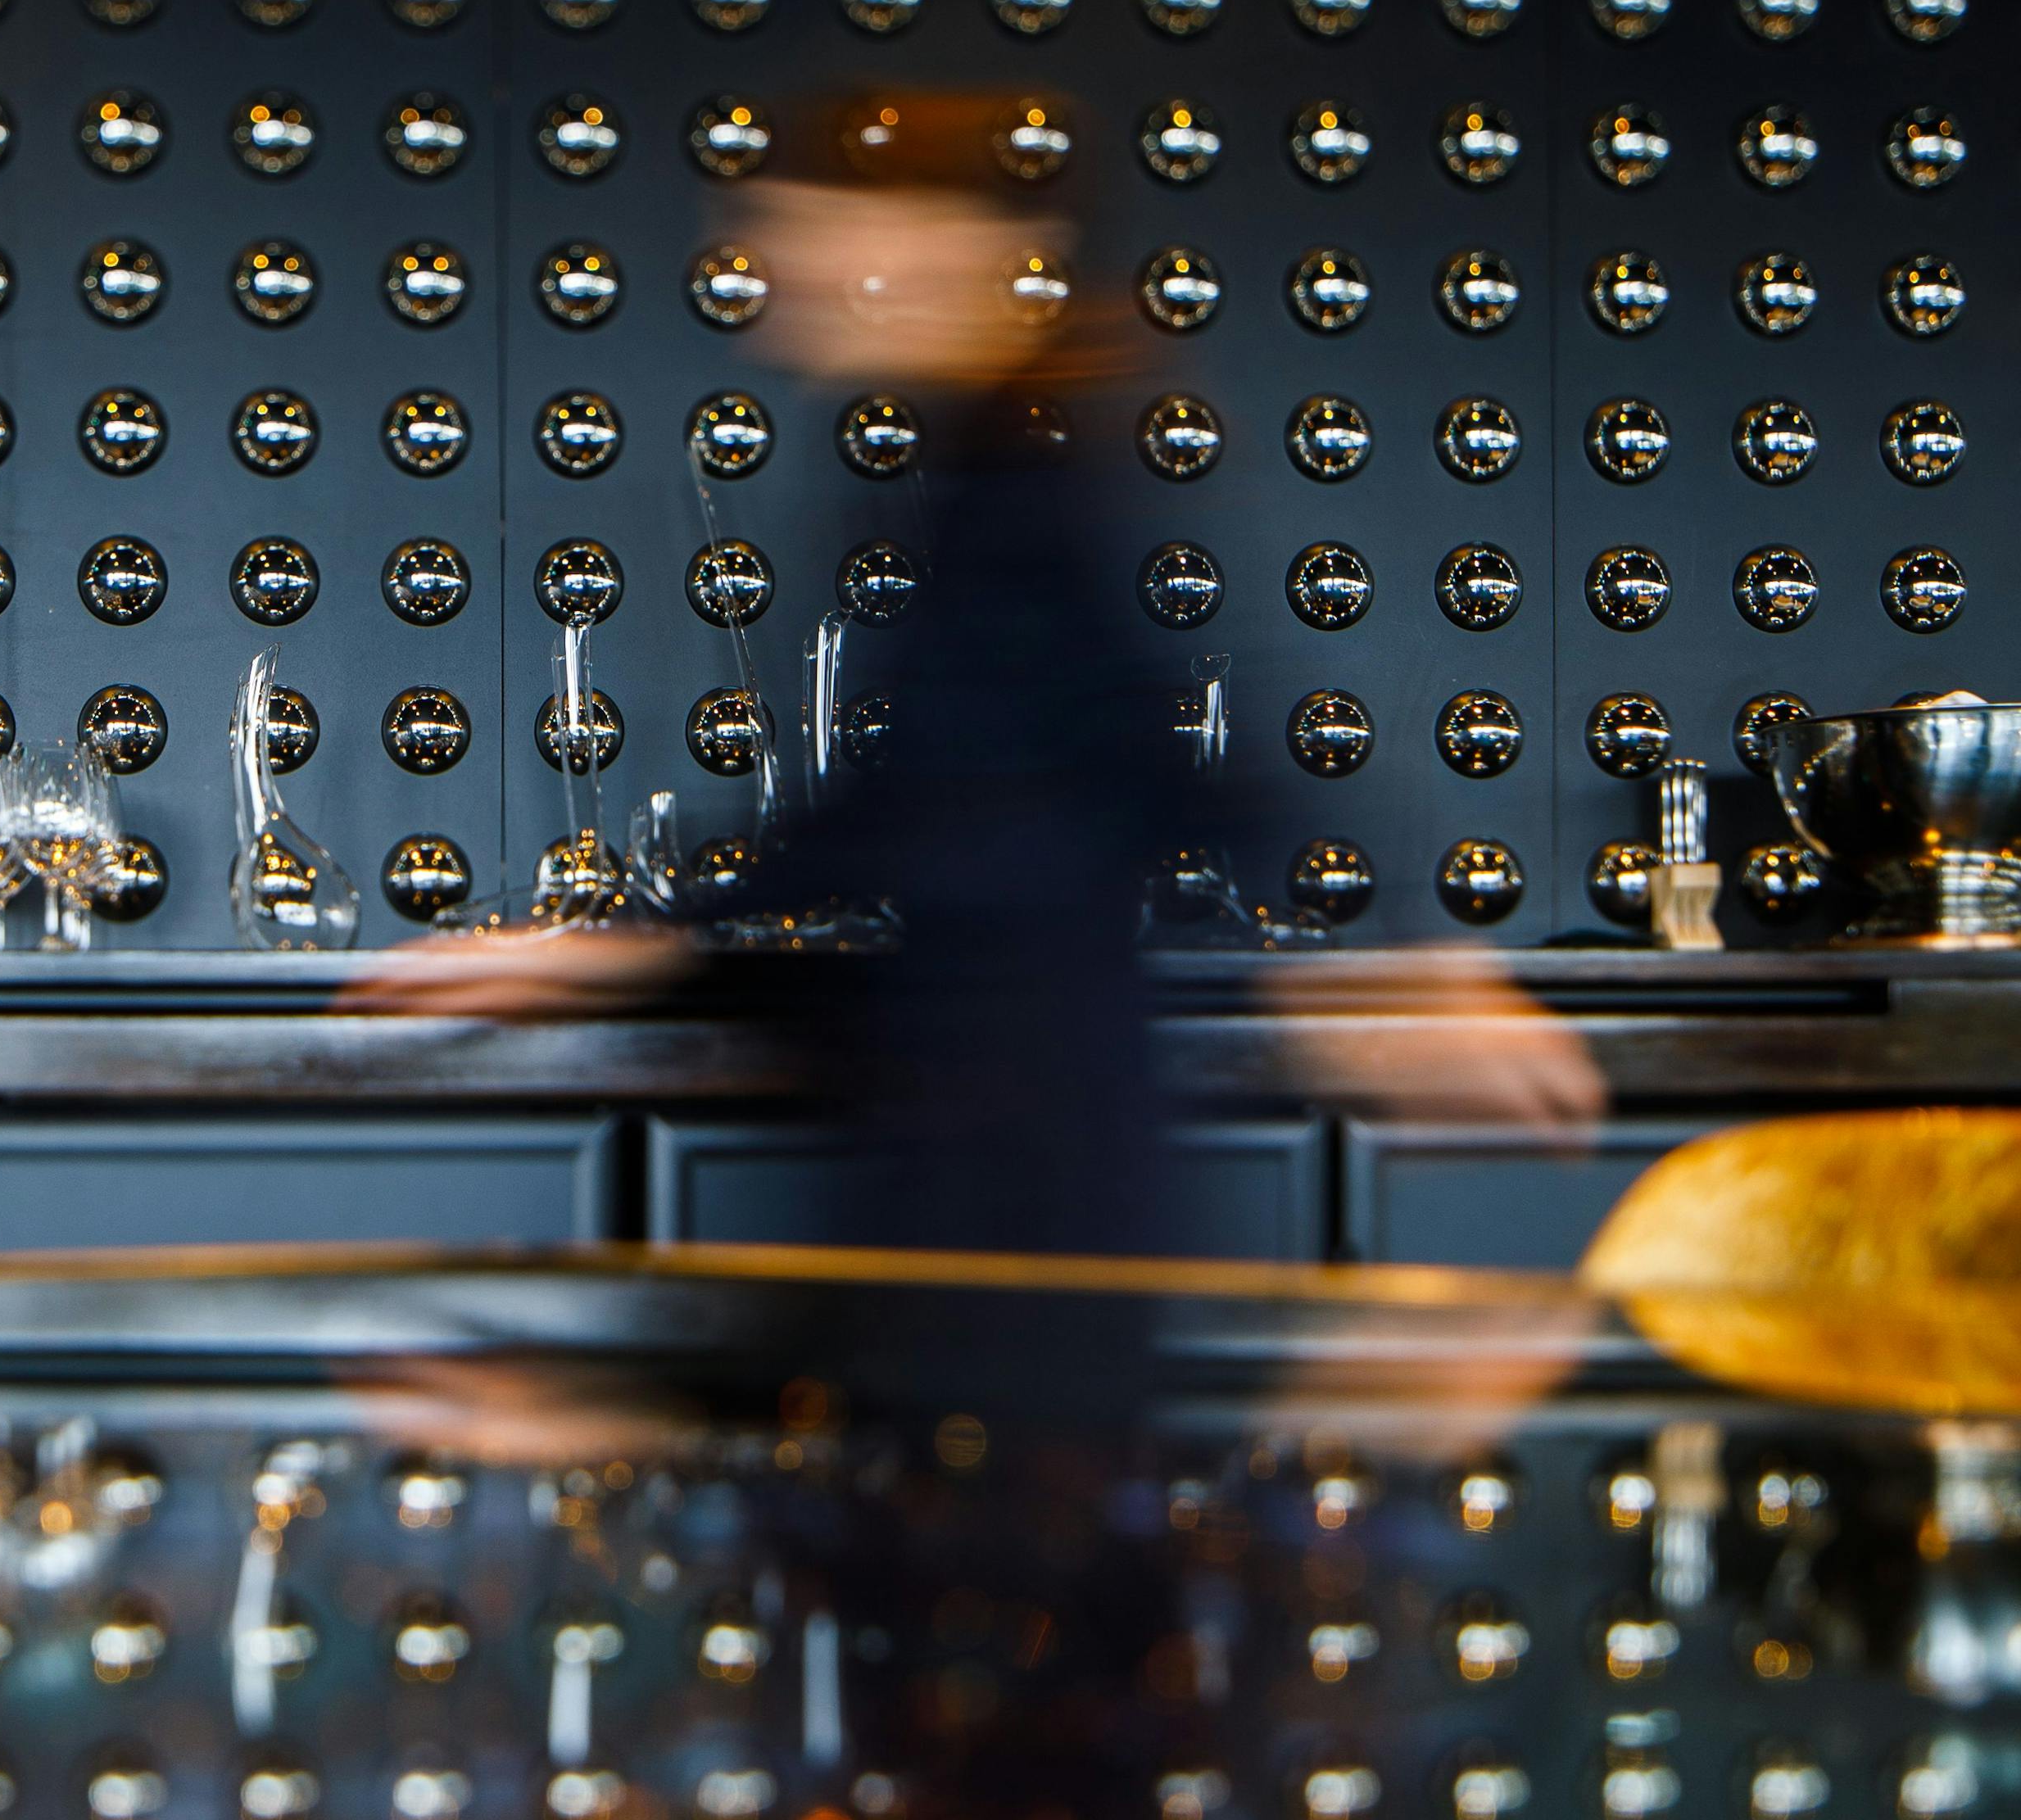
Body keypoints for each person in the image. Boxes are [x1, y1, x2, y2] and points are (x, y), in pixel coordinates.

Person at [347, 86, 1600, 1240]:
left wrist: (1390, 966)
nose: (770, 273)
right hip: (993, 1116)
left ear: (956, 246)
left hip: (1015, 1130)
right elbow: (1004, 778)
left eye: (809, 231)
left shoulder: (1022, 481)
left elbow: (1087, 771)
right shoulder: (980, 467)